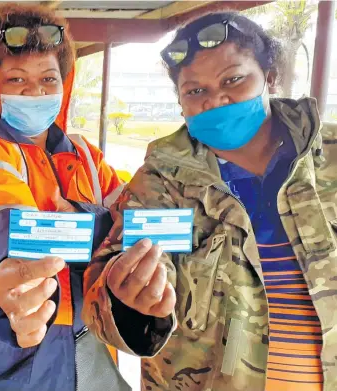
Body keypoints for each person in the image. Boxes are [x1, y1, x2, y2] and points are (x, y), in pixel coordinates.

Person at [83, 12, 337, 391]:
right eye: (195, 91)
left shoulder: (329, 159)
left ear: (269, 78)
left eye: (233, 79)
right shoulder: (160, 180)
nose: (216, 99)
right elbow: (110, 280)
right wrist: (128, 302)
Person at [0, 4, 128, 391]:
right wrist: (99, 227)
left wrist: (87, 221)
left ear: (63, 83)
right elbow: (0, 212)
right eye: (16, 78)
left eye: (47, 79)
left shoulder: (86, 156)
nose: (34, 91)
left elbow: (144, 219)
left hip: (78, 355)